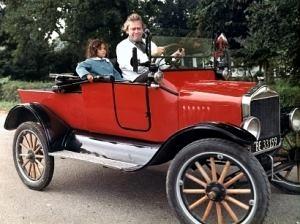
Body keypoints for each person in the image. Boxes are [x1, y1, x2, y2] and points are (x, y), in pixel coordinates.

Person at [116, 13, 184, 82]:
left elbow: (162, 65)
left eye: (139, 28)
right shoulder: (121, 46)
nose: (136, 31)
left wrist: (174, 58)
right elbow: (134, 68)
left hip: (154, 79)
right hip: (134, 82)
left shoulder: (150, 43)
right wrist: (152, 55)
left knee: (181, 71)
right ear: (127, 30)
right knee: (155, 72)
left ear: (143, 29)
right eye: (133, 29)